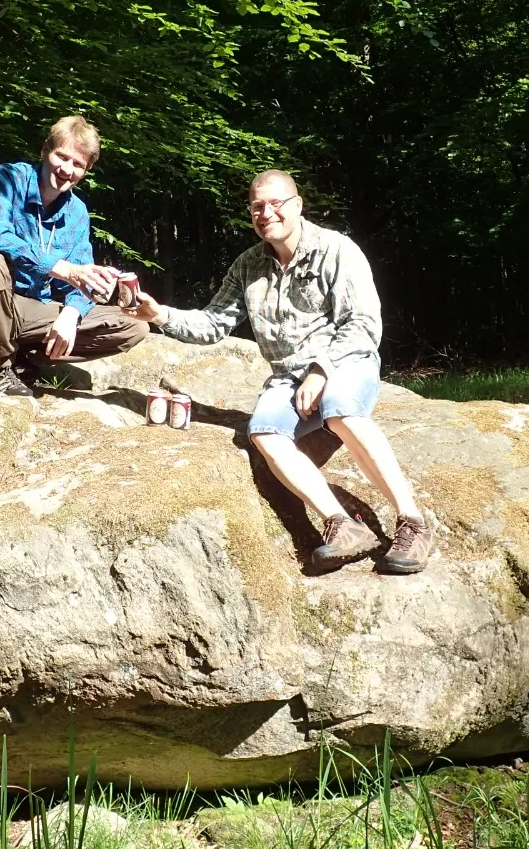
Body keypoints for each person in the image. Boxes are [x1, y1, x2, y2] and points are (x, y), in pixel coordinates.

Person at [127, 170, 432, 574]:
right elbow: (214, 324)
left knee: (340, 408)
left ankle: (413, 522)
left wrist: (321, 371)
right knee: (263, 431)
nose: (266, 213)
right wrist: (159, 315)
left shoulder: (336, 250)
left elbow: (362, 324)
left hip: (345, 362)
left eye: (276, 203)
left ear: (297, 205)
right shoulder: (247, 266)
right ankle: (343, 525)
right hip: (288, 378)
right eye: (257, 206)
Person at [0, 116, 148, 396]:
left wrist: (71, 312)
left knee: (134, 326)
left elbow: (80, 279)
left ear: (86, 170)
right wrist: (63, 269)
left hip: (29, 310)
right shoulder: (5, 179)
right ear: (45, 150)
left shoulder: (77, 213)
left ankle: (26, 361)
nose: (66, 169)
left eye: (78, 164)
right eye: (61, 157)